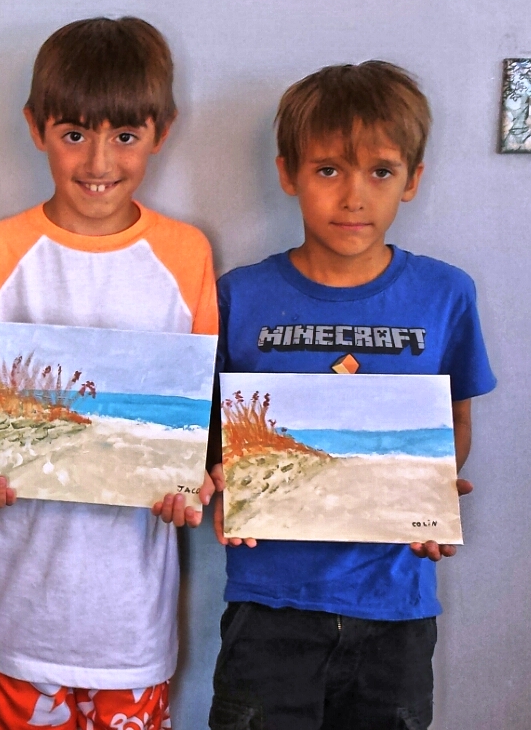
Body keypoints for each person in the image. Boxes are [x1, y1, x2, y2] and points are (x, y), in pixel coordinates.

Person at [0, 17, 216, 729]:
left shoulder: (185, 255)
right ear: (36, 127)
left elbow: (191, 413)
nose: (98, 160)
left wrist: (189, 475)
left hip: (132, 622)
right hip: (18, 607)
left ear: (161, 131)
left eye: (124, 135)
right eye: (73, 133)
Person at [208, 61, 495, 730]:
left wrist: (432, 489)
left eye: (381, 171)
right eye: (328, 170)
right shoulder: (239, 295)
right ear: (288, 174)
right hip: (269, 602)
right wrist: (219, 475)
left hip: (395, 602)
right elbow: (213, 425)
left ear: (412, 180)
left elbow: (455, 419)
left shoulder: (446, 294)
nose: (353, 196)